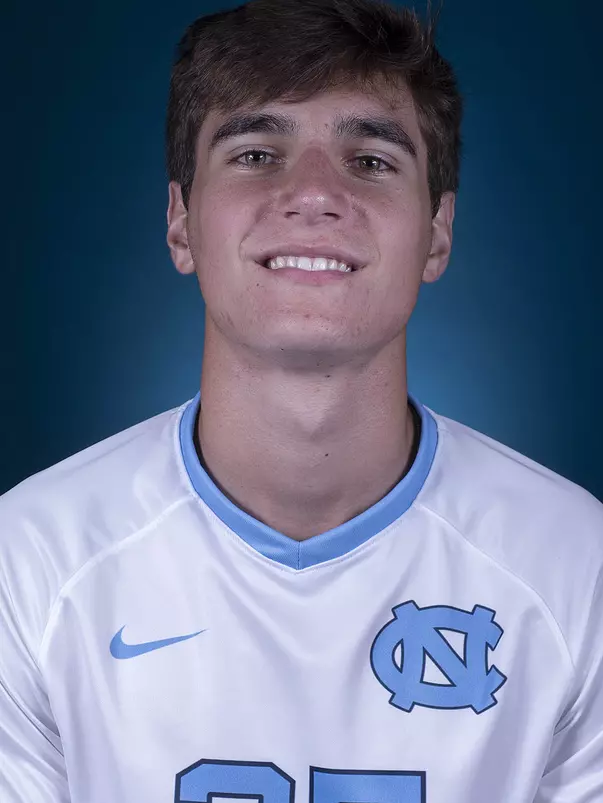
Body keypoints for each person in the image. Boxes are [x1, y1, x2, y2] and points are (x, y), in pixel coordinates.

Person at [1, 0, 602, 800]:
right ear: (180, 222)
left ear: (436, 234)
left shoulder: (575, 567)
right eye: (256, 153)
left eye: (371, 160)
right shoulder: (31, 562)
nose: (314, 194)